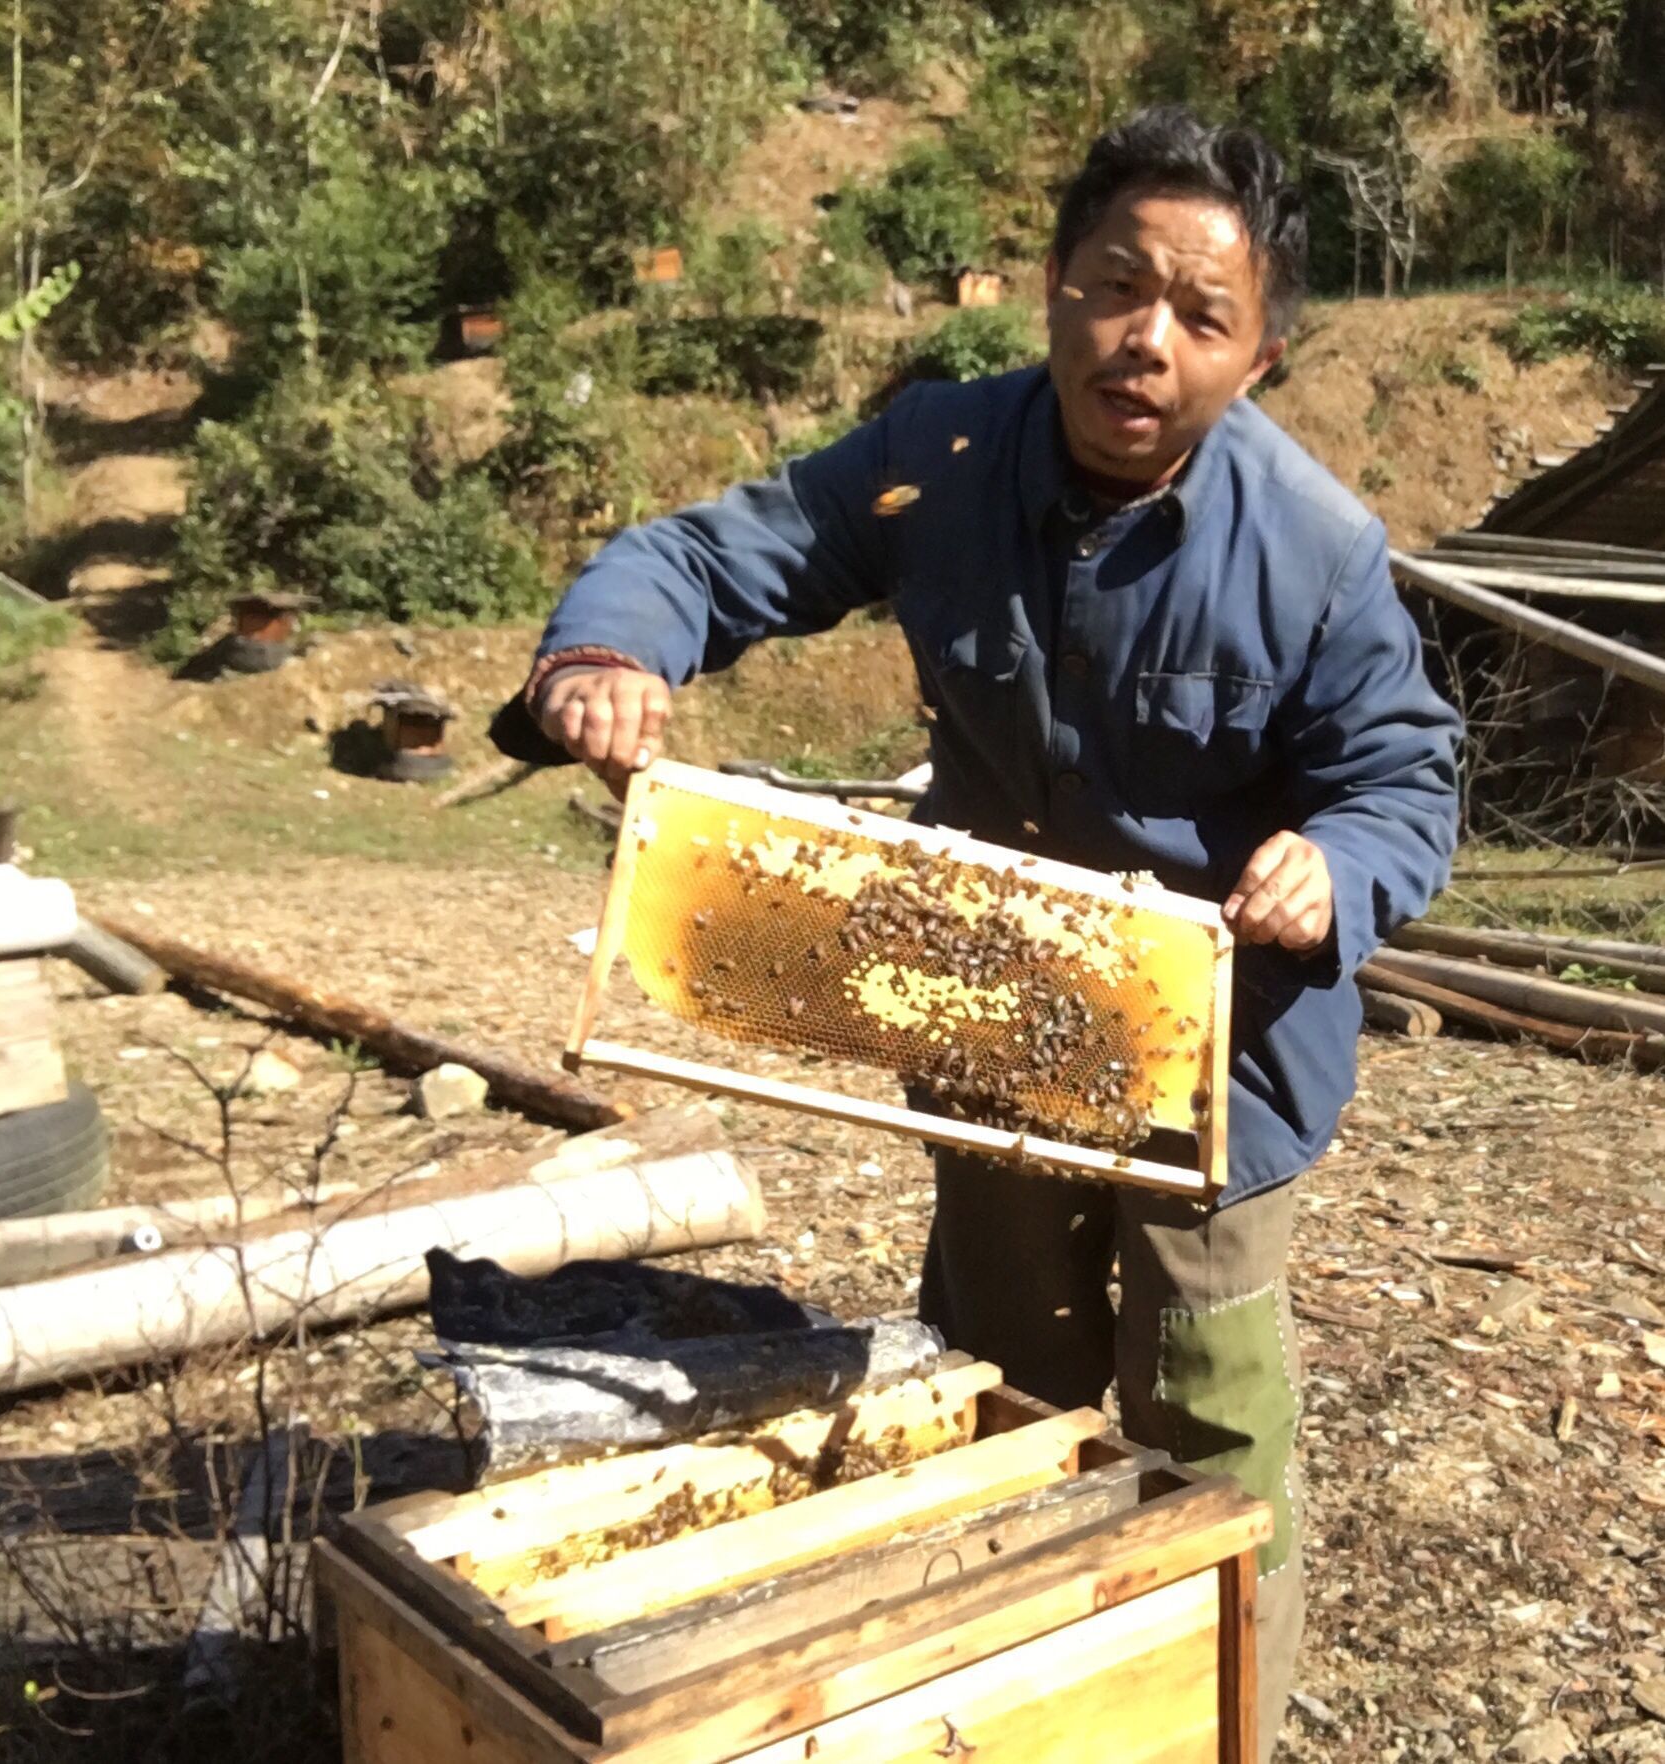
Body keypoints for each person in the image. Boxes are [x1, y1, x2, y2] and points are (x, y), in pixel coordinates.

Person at [493, 105, 1460, 1758]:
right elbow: (716, 555)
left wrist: (1334, 860)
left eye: (1199, 315)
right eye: (1112, 285)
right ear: (1054, 291)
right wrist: (607, 651)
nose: (1143, 338)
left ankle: (1222, 1711)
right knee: (996, 1379)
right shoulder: (936, 456)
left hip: (1219, 1072)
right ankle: (1007, 1693)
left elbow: (1406, 778)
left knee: (1210, 1422)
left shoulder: (1316, 552)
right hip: (989, 1021)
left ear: (1262, 356)